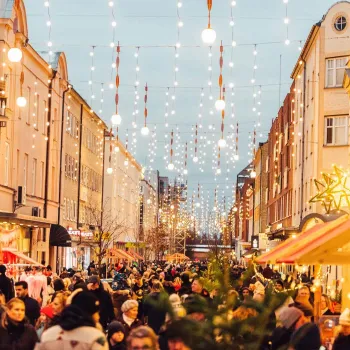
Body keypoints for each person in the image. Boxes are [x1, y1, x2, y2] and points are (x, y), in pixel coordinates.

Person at [37, 290, 108, 349]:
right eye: (96, 313)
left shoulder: (48, 334)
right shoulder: (96, 338)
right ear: (88, 314)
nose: (98, 317)